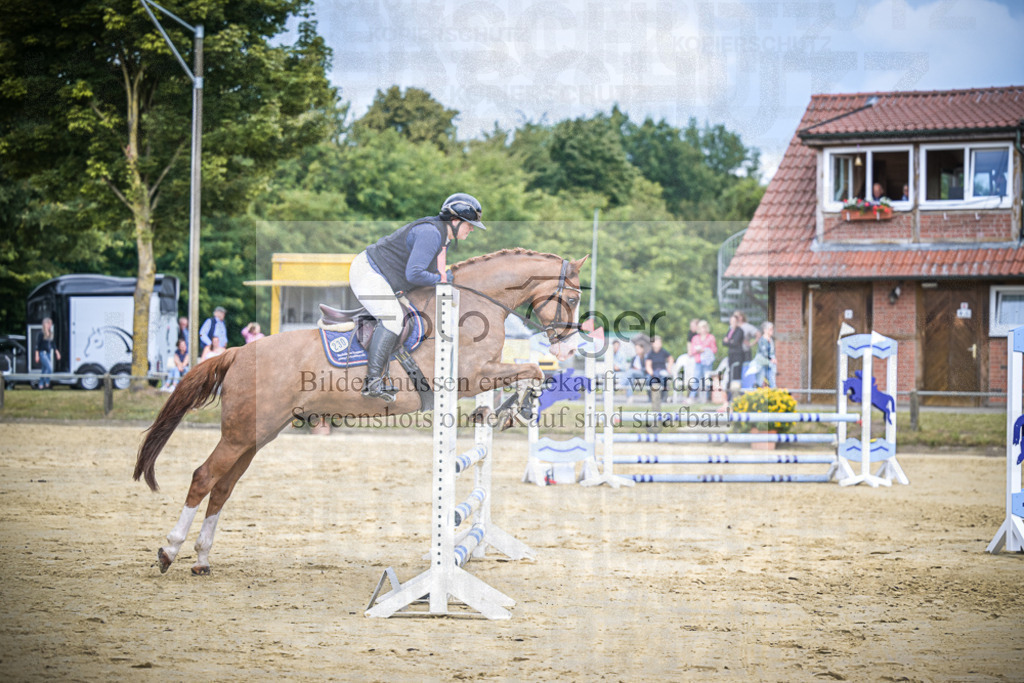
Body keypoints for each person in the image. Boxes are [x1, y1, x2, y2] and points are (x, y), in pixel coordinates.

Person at [350, 193, 486, 402]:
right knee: (393, 318)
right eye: (470, 224)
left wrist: (443, 279)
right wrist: (443, 278)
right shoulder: (430, 233)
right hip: (368, 273)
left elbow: (431, 277)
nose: (472, 229)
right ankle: (373, 381)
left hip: (384, 277)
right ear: (455, 222)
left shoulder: (442, 237)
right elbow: (414, 274)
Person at [687, 320, 717, 403]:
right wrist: (698, 350)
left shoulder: (711, 337)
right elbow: (692, 350)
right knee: (696, 378)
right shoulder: (695, 338)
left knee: (706, 380)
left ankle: (706, 397)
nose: (702, 329)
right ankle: (692, 397)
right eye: (700, 327)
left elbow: (714, 349)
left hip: (707, 362)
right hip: (698, 361)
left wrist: (705, 350)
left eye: (703, 327)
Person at [723, 312, 746, 401]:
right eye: (731, 321)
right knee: (730, 375)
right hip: (731, 356)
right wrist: (730, 341)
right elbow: (724, 342)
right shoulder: (730, 331)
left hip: (738, 356)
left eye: (734, 321)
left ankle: (736, 396)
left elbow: (735, 342)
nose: (732, 323)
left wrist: (728, 340)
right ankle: (729, 396)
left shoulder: (740, 331)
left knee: (736, 375)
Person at [34, 317, 61, 390]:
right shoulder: (41, 333)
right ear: (45, 324)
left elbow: (53, 344)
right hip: (43, 353)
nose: (50, 325)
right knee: (50, 368)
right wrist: (37, 355)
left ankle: (41, 384)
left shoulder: (50, 333)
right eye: (49, 324)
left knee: (44, 370)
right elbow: (38, 345)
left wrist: (57, 352)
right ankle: (47, 382)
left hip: (48, 353)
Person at [644, 335, 674, 400]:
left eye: (659, 342)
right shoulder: (650, 353)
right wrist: (652, 373)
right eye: (657, 342)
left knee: (664, 379)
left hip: (662, 370)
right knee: (648, 380)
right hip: (653, 371)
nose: (658, 344)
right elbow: (648, 365)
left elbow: (671, 359)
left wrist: (669, 368)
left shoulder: (663, 352)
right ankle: (650, 398)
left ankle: (664, 398)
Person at [753, 321, 777, 388]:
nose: (772, 331)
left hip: (770, 364)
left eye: (772, 329)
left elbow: (772, 351)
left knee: (772, 380)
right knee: (759, 380)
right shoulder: (762, 340)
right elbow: (764, 352)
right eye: (770, 329)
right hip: (762, 363)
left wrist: (773, 358)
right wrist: (771, 359)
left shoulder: (771, 340)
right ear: (765, 330)